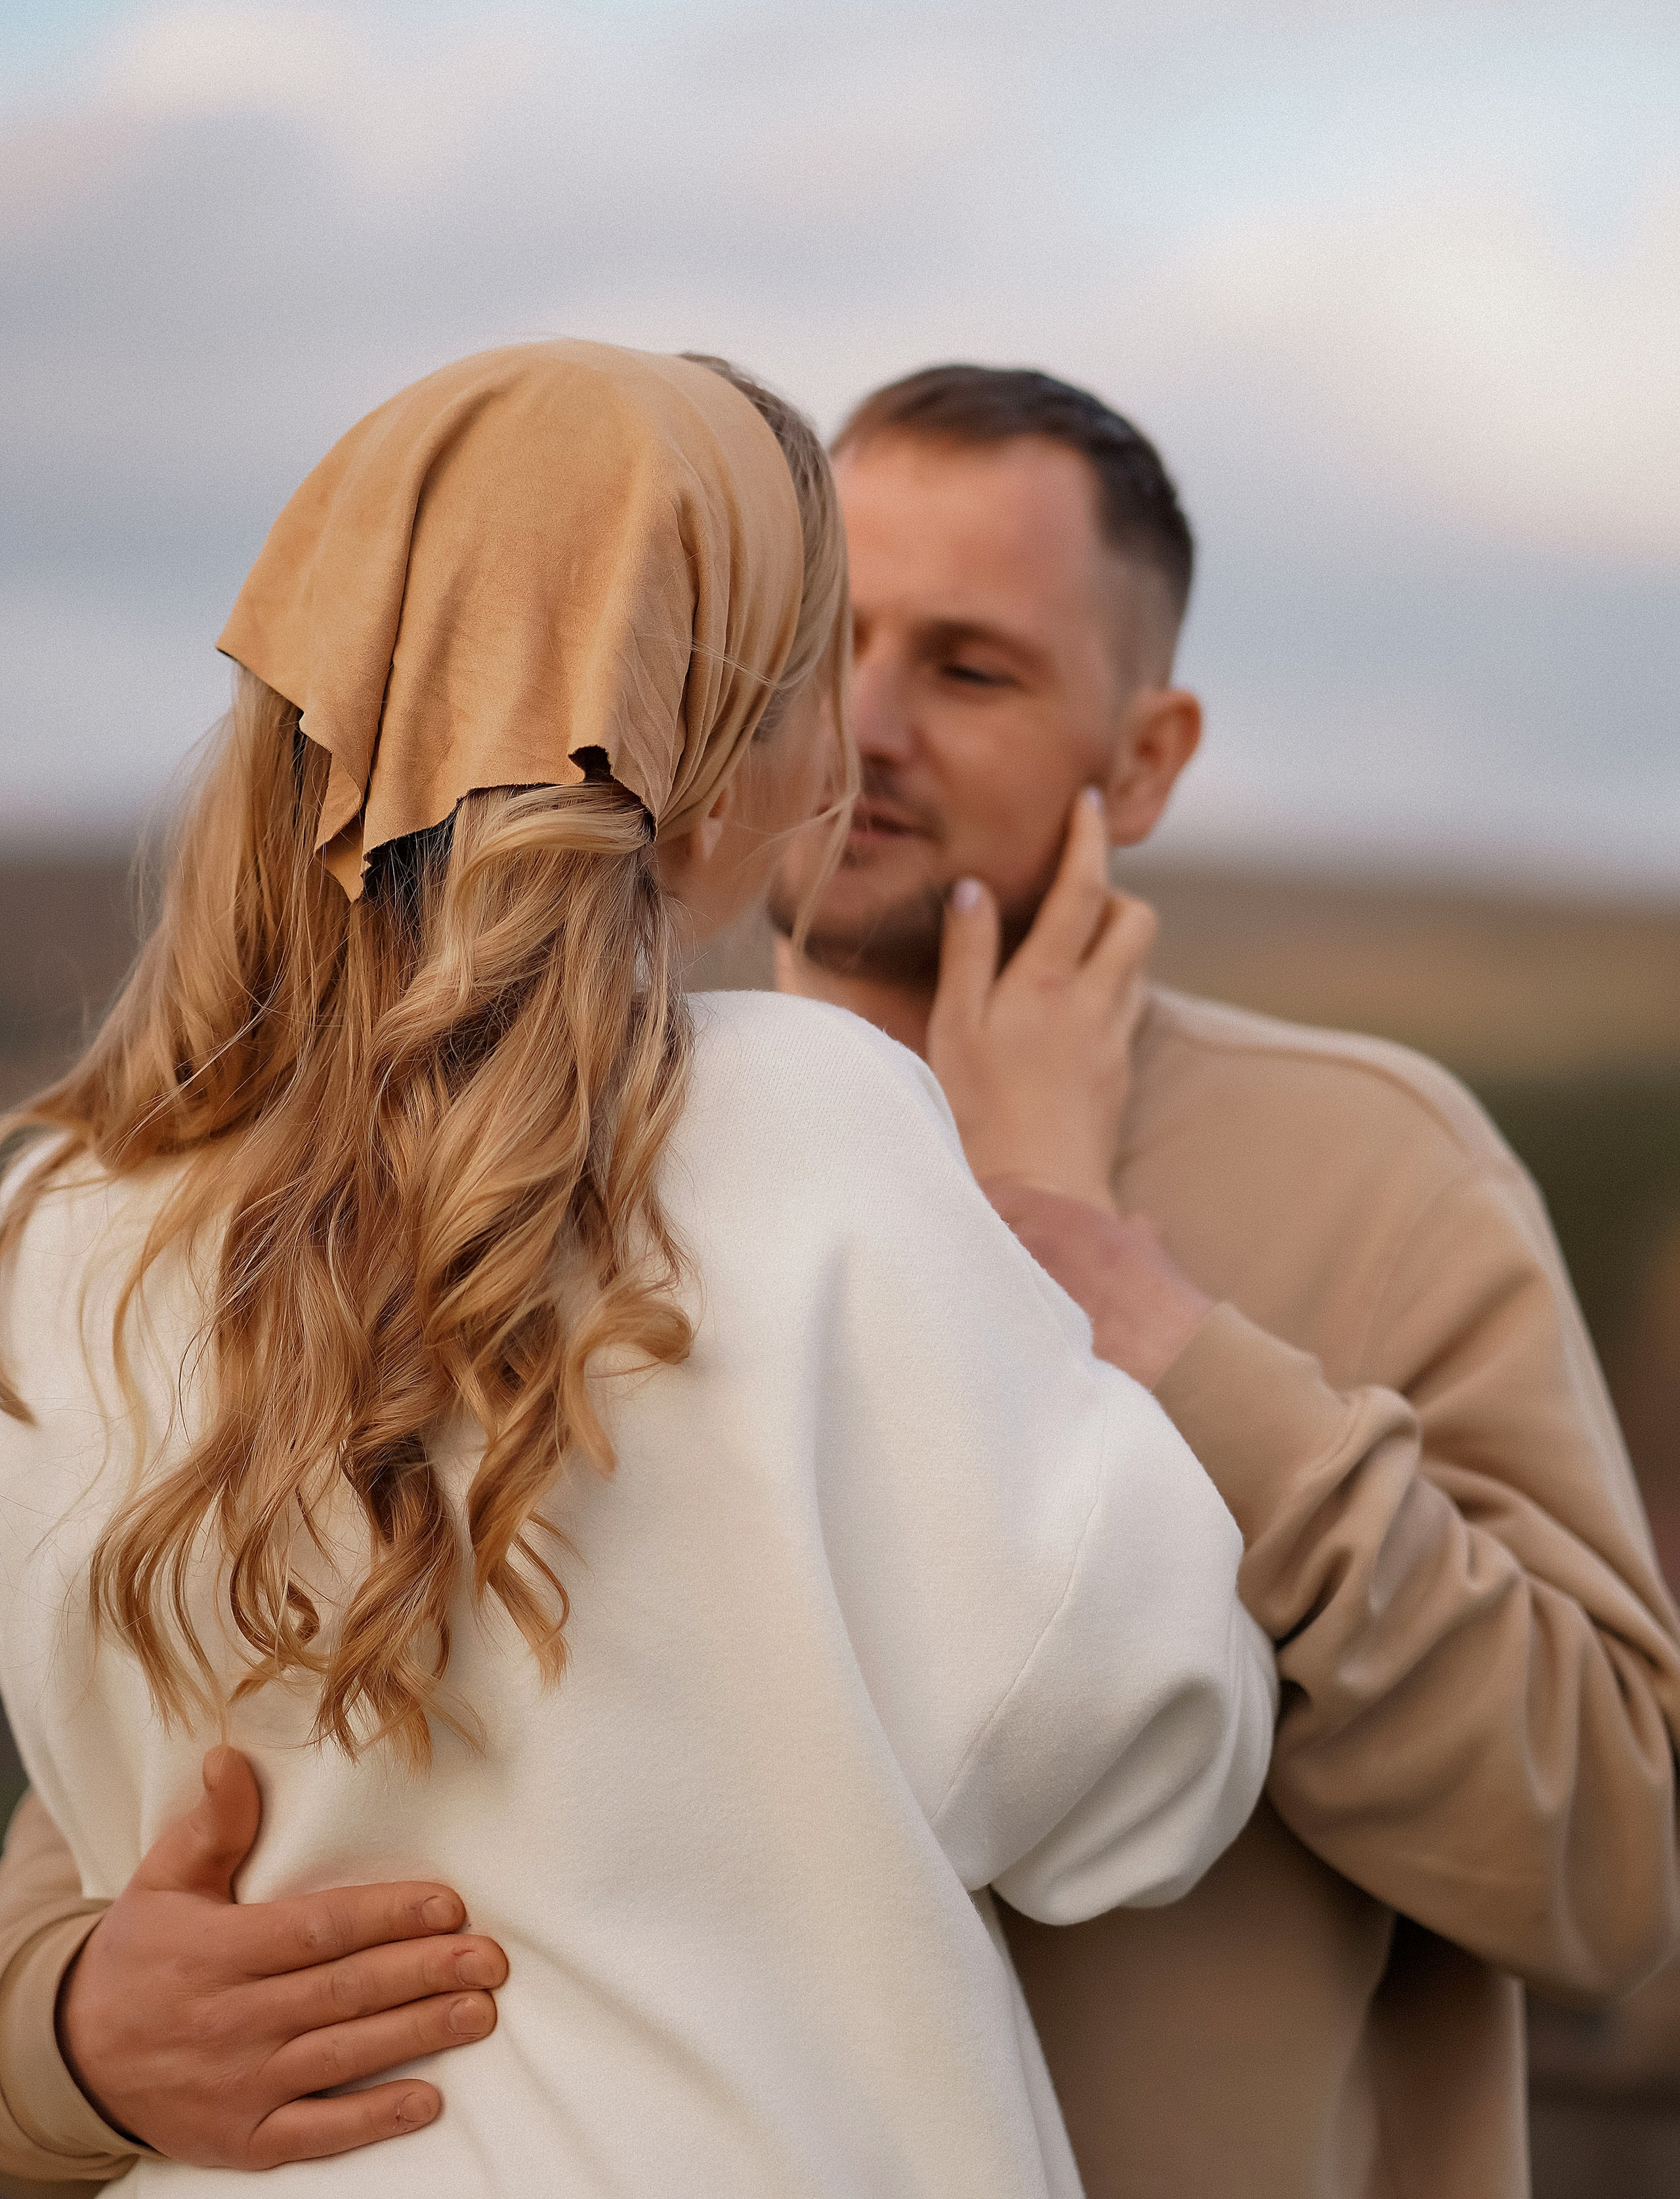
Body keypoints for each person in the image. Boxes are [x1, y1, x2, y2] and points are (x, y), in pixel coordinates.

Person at [7, 352, 1679, 2199]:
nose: (870, 725)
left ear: (1146, 757)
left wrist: (1152, 1335)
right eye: (833, 645)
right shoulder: (428, 1174)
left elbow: (1619, 1868)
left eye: (971, 669)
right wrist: (67, 2031)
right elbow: (162, 1795)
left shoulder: (1376, 1170)